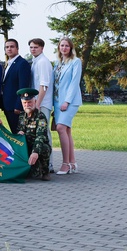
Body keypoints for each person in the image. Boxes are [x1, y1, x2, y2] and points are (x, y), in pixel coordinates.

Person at [53, 37, 83, 175]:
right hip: (58, 101)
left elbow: (74, 83)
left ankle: (65, 164)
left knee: (60, 128)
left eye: (66, 46)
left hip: (69, 101)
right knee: (67, 130)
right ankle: (72, 163)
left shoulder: (75, 62)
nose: (64, 48)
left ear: (71, 48)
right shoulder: (58, 63)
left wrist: (67, 101)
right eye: (62, 45)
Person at [29, 38, 55, 173]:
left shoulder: (43, 62)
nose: (33, 49)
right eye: (31, 47)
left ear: (42, 48)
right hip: (37, 102)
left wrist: (37, 104)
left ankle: (49, 163)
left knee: (44, 133)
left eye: (36, 47)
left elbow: (43, 85)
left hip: (42, 103)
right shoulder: (36, 61)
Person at [16, 88, 52, 181]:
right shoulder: (21, 116)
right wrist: (19, 133)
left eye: (30, 102)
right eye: (25, 103)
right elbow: (19, 131)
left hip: (37, 146)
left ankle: (45, 172)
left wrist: (35, 151)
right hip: (25, 147)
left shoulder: (40, 117)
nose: (27, 105)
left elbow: (41, 136)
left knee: (45, 148)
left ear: (35, 102)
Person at [0, 39, 32, 134]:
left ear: (17, 48)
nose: (9, 49)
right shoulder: (8, 64)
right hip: (7, 106)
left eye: (12, 46)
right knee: (14, 133)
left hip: (16, 107)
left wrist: (19, 105)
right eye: (7, 47)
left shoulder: (22, 63)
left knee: (19, 134)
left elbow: (23, 86)